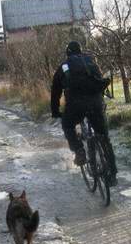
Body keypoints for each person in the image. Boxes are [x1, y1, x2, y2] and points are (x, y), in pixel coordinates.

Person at [50, 41, 117, 186]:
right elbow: (99, 81)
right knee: (105, 138)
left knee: (67, 125)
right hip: (95, 103)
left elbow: (55, 92)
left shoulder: (64, 66)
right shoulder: (90, 61)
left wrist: (55, 111)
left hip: (75, 106)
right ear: (80, 51)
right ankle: (112, 174)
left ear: (67, 52)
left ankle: (79, 150)